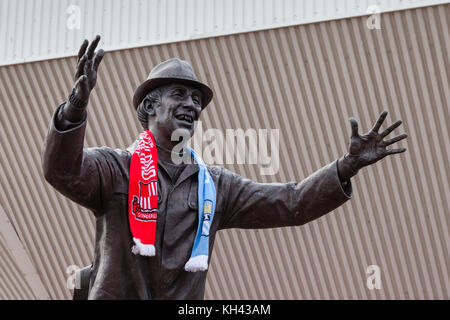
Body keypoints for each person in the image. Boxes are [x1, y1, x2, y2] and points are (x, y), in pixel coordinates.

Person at [42, 35, 407, 299]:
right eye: (180, 94)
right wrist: (75, 108)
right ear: (151, 107)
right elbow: (62, 172)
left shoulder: (215, 185)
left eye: (197, 99)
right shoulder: (115, 168)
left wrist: (345, 167)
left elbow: (291, 202)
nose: (192, 105)